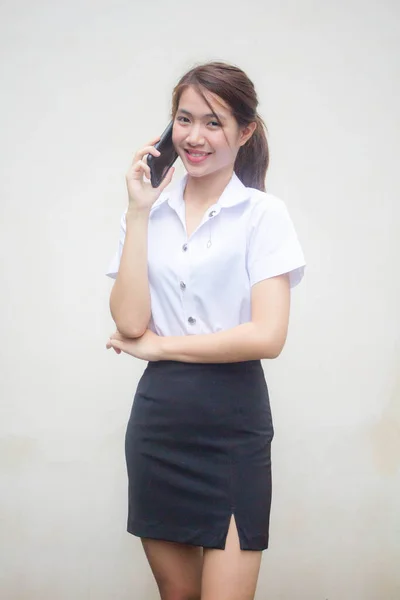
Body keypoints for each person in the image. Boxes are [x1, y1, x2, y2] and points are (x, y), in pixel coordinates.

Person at [105, 61, 306, 600]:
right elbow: (128, 322)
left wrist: (160, 347)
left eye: (213, 123)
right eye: (184, 119)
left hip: (233, 425)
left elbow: (268, 337)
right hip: (160, 423)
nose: (194, 137)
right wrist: (139, 212)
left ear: (245, 133)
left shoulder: (264, 215)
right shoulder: (147, 214)